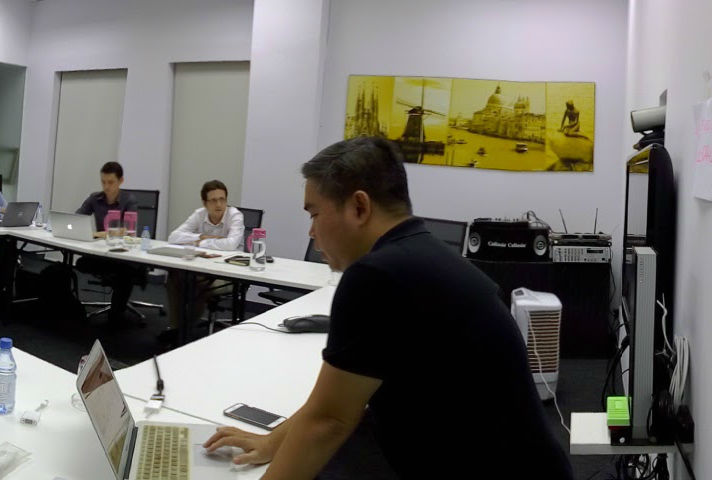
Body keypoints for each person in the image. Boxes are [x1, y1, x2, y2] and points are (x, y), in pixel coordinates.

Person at [202, 137, 572, 478]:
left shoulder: (377, 276)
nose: (311, 232)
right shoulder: (421, 254)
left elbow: (328, 421)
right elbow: (333, 403)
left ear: (359, 207)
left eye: (314, 214)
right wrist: (272, 441)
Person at [162, 180, 244, 335]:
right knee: (173, 276)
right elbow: (173, 237)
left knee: (197, 282)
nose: (219, 204)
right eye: (213, 200)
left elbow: (231, 244)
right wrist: (201, 236)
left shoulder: (235, 215)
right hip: (201, 266)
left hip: (228, 273)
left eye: (222, 199)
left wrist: (202, 243)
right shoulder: (199, 214)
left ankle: (184, 331)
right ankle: (175, 327)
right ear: (205, 203)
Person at [73, 162, 141, 323]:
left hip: (122, 254)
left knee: (126, 271)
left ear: (121, 181)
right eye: (103, 182)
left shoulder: (129, 200)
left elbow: (128, 230)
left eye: (111, 182)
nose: (106, 186)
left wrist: (101, 234)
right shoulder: (95, 198)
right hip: (100, 252)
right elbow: (77, 217)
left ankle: (116, 316)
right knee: (81, 262)